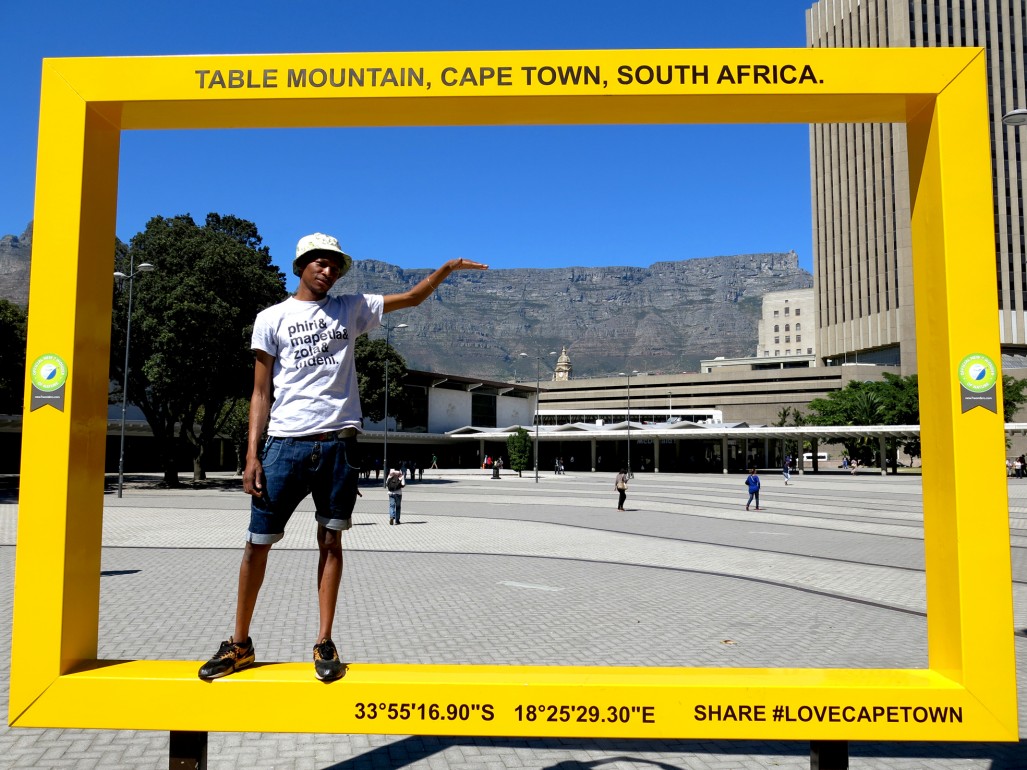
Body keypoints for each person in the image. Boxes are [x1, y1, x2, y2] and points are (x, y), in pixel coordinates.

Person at [197, 232, 486, 682]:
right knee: (257, 543)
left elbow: (410, 298)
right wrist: (251, 455)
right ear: (301, 266)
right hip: (284, 444)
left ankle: (324, 640)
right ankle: (240, 643)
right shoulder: (271, 318)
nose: (328, 270)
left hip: (338, 445)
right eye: (319, 262)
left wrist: (444, 272)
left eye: (334, 264)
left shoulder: (350, 308)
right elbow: (259, 392)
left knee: (331, 542)